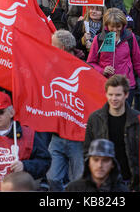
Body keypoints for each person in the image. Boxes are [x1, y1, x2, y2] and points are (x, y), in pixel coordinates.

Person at [84, 74, 140, 191]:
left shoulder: (139, 120)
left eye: (118, 95)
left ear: (126, 95)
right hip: (104, 183)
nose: (113, 99)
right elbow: (87, 151)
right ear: (105, 94)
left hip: (131, 182)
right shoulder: (95, 119)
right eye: (110, 94)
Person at [46, 30, 85, 191]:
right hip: (57, 134)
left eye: (52, 44)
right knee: (52, 178)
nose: (50, 47)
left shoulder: (83, 70)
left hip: (76, 136)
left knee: (79, 181)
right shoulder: (50, 68)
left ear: (61, 47)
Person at [87, 8, 140, 108]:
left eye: (118, 26)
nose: (115, 30)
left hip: (127, 85)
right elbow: (91, 62)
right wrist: (102, 70)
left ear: (123, 25)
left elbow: (138, 63)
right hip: (106, 85)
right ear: (106, 25)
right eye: (112, 27)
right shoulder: (99, 39)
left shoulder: (130, 37)